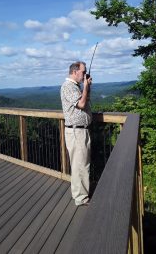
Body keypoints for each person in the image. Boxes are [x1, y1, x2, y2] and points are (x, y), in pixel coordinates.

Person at [61, 61, 92, 206]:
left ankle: (78, 194)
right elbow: (81, 104)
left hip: (79, 130)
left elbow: (84, 101)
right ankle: (81, 198)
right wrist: (85, 87)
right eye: (83, 72)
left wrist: (87, 88)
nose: (84, 74)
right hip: (76, 131)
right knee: (81, 165)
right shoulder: (68, 86)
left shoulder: (75, 87)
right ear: (75, 72)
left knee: (79, 164)